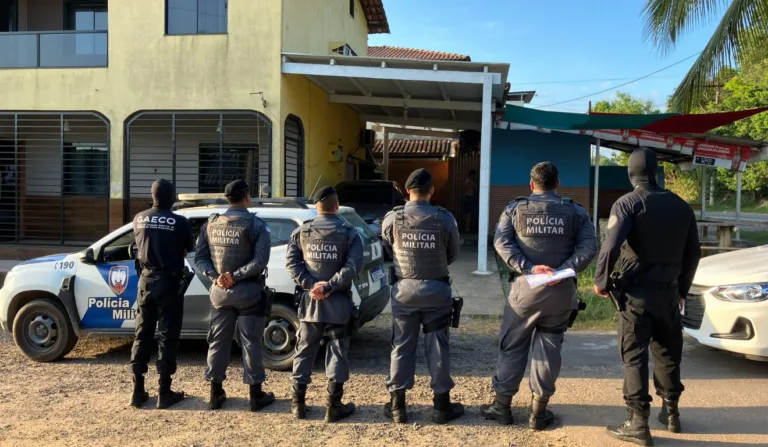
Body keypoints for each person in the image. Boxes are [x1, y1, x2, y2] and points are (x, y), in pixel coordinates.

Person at [594, 148, 700, 446]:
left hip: (636, 295)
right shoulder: (681, 206)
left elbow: (610, 246)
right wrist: (681, 290)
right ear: (655, 173)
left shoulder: (628, 203)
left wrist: (601, 281)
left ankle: (638, 423)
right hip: (669, 294)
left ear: (631, 174)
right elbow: (694, 253)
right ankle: (671, 412)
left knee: (634, 356)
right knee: (668, 353)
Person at [482, 162, 597, 430]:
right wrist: (565, 270)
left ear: (531, 185)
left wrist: (529, 266)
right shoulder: (576, 211)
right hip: (560, 292)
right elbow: (589, 246)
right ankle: (538, 411)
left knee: (512, 346)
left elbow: (501, 242)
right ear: (558, 184)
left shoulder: (514, 209)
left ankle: (502, 407)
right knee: (550, 348)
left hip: (525, 291)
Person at [382, 168, 463, 425]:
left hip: (404, 292)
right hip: (436, 292)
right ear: (432, 190)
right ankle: (441, 406)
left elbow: (387, 250)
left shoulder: (392, 218)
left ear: (407, 190)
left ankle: (397, 406)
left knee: (402, 344)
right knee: (437, 345)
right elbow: (452, 254)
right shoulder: (444, 218)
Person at [194, 179, 275, 412]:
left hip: (220, 293)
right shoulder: (256, 225)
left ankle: (215, 393)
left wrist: (215, 276)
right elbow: (260, 261)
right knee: (251, 342)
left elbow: (200, 258)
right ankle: (255, 395)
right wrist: (236, 276)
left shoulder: (212, 223)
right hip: (248, 292)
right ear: (247, 197)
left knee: (218, 341)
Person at [285, 186, 363, 423]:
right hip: (338, 305)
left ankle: (298, 404)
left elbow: (292, 264)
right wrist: (329, 286)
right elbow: (353, 267)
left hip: (311, 305)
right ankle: (333, 405)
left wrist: (312, 285)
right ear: (336, 206)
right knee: (338, 352)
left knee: (304, 350)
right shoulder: (350, 233)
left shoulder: (301, 232)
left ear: (316, 207)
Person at [129, 179, 194, 409]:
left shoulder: (139, 218)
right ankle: (163, 393)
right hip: (169, 282)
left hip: (145, 282)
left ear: (152, 196)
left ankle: (137, 392)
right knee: (167, 337)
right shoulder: (180, 222)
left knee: (142, 335)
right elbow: (189, 248)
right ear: (173, 197)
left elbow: (137, 245)